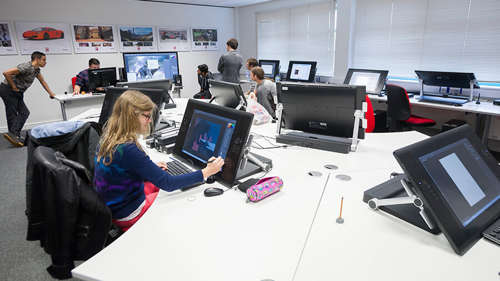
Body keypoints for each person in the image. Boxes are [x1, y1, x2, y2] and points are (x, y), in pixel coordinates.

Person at [94, 90, 224, 231]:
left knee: (165, 185)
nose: (150, 121)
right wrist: (206, 172)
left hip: (116, 206)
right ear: (131, 116)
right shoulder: (128, 149)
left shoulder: (109, 137)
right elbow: (168, 184)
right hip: (128, 214)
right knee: (179, 197)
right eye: (147, 116)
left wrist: (148, 168)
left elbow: (121, 169)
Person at [1, 51, 56, 147]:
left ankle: (14, 135)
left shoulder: (36, 70)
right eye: (43, 60)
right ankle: (14, 135)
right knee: (12, 113)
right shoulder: (27, 66)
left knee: (24, 112)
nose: (45, 62)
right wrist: (13, 87)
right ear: (37, 59)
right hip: (8, 89)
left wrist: (51, 93)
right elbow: (6, 73)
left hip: (17, 92)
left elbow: (42, 81)